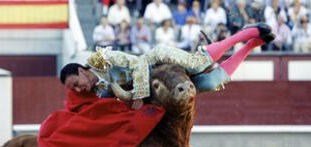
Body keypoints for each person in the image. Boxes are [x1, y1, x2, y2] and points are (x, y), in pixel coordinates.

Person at [60, 23, 275, 110]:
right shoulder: (101, 92)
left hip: (159, 59)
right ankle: (252, 45)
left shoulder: (101, 59)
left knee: (197, 63)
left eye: (76, 84)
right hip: (158, 89)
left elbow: (138, 62)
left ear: (81, 71)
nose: (79, 89)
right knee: (210, 82)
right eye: (75, 90)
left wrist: (138, 97)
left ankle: (249, 33)